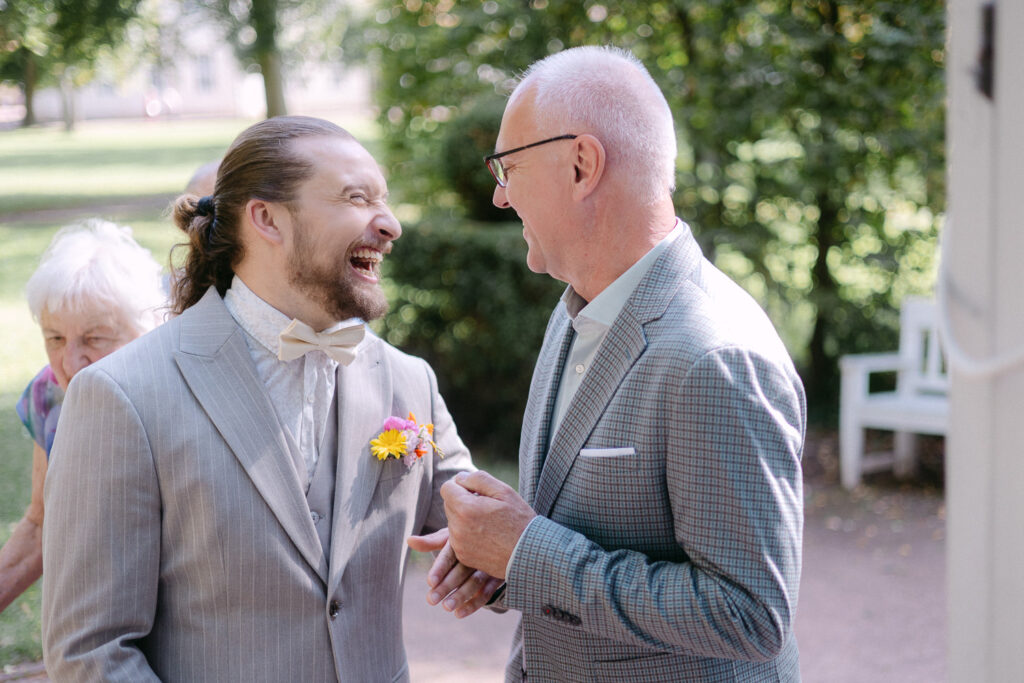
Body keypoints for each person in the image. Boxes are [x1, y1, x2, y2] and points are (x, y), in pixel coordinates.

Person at [412, 46, 806, 681]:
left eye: (509, 167)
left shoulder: (715, 356)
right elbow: (577, 534)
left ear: (582, 165)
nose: (500, 196)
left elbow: (749, 616)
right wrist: (500, 559)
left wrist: (526, 550)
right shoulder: (577, 306)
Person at [41, 115, 477, 682]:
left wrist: (491, 565)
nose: (390, 224)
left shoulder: (409, 380)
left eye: (384, 200)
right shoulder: (122, 395)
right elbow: (89, 650)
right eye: (356, 198)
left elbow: (482, 539)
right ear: (267, 219)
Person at [0, 220, 166, 616]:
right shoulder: (50, 398)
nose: (71, 363)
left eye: (95, 338)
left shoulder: (179, 397)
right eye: (55, 338)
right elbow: (40, 526)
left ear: (148, 330)